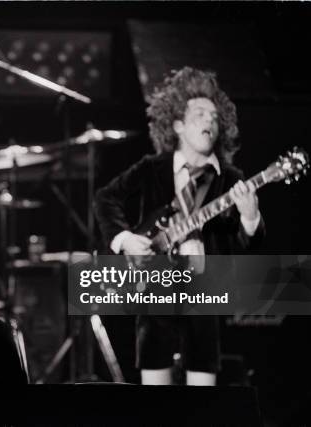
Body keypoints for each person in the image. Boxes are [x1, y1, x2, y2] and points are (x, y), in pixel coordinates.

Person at [94, 67, 264, 386]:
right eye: (199, 113)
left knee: (203, 402)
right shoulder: (152, 168)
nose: (209, 120)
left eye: (215, 116)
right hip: (154, 291)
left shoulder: (231, 180)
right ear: (177, 125)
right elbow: (105, 198)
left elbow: (250, 247)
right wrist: (124, 238)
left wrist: (250, 217)